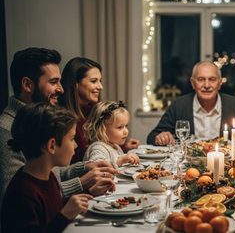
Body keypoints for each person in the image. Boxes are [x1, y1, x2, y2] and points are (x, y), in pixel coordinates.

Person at [0, 48, 117, 211]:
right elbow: (18, 199)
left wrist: (84, 168)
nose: (61, 89)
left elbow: (51, 174)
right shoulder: (6, 129)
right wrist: (81, 183)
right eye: (53, 82)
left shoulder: (38, 120)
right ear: (27, 84)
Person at [2, 103, 93, 232]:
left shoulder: (48, 176)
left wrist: (89, 194)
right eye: (72, 139)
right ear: (52, 145)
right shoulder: (23, 194)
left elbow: (53, 208)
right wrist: (64, 216)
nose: (76, 145)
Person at [147, 61, 235, 145]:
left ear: (219, 84)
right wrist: (160, 137)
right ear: (193, 83)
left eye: (212, 79)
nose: (206, 85)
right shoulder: (179, 105)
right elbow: (152, 136)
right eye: (201, 79)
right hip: (189, 165)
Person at [60, 57, 140, 163]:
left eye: (100, 81)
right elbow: (90, 157)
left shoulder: (96, 111)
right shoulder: (64, 119)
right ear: (75, 84)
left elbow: (102, 147)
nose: (100, 87)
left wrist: (124, 147)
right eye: (94, 81)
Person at [84, 101, 140, 168]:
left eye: (126, 126)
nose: (126, 131)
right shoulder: (98, 148)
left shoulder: (115, 146)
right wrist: (121, 160)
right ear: (102, 129)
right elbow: (97, 166)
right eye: (120, 127)